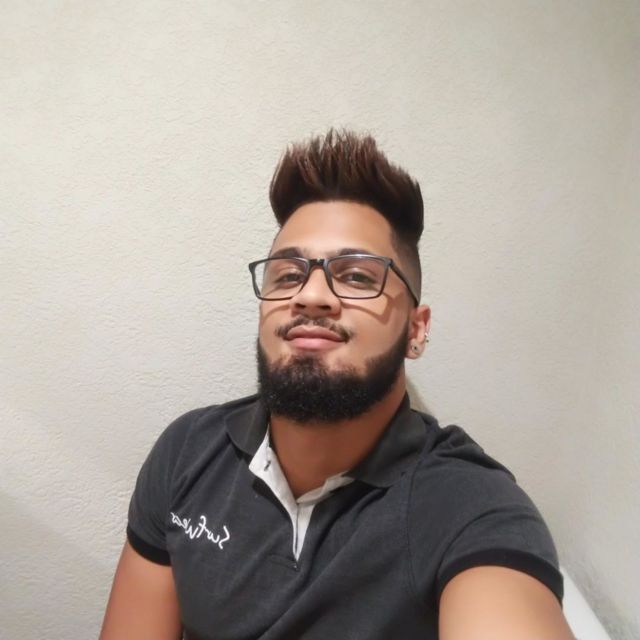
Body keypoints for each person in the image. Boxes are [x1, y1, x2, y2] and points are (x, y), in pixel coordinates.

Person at [100, 129, 574, 639]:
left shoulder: (470, 509)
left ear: (416, 331)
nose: (311, 295)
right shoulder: (188, 453)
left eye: (357, 276)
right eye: (287, 275)